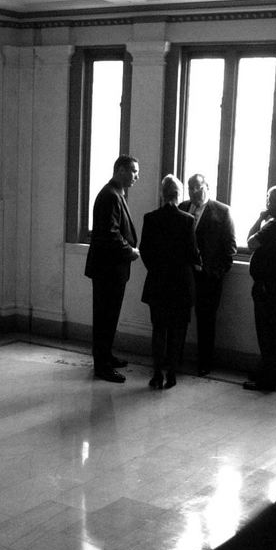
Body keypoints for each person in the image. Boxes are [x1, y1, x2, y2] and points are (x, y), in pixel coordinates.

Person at [139, 175, 200, 389]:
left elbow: (144, 250)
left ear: (162, 194)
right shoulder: (187, 220)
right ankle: (172, 374)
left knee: (158, 330)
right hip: (181, 284)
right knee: (177, 331)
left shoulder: (150, 218)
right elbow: (192, 253)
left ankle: (156, 374)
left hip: (158, 282)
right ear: (178, 195)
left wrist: (156, 270)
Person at [84, 155, 140, 383]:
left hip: (111, 269)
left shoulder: (115, 193)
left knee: (109, 316)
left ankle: (106, 355)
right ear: (121, 170)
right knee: (105, 316)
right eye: (134, 171)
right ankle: (102, 366)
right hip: (108, 270)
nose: (137, 176)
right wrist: (131, 252)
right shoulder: (110, 196)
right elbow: (111, 235)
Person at [178, 174, 236, 377]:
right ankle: (175, 358)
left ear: (207, 187)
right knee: (178, 317)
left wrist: (215, 273)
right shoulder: (182, 208)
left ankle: (205, 363)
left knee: (206, 321)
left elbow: (230, 249)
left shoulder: (222, 211)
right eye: (190, 187)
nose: (194, 191)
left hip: (208, 278)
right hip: (184, 275)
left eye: (198, 187)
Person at [243, 185, 276, 392]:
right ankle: (268, 372)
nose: (267, 204)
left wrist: (259, 219)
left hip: (267, 287)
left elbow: (250, 242)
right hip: (274, 285)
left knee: (267, 334)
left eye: (270, 201)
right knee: (272, 333)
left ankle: (267, 379)